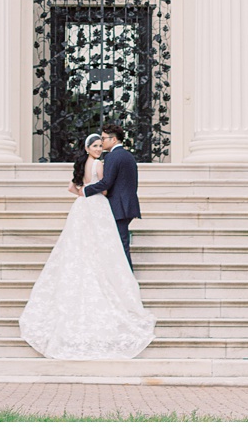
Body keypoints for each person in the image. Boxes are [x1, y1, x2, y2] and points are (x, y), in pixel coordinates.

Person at [16, 131, 156, 360]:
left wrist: (82, 193)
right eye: (97, 145)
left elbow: (73, 187)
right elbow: (105, 187)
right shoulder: (100, 163)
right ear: (89, 147)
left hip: (82, 206)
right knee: (104, 241)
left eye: (102, 144)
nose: (100, 148)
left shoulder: (82, 163)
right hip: (98, 205)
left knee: (83, 240)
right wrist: (92, 191)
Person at [82, 122, 141, 268]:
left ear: (113, 139)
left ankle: (128, 279)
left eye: (103, 138)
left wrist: (85, 190)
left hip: (119, 206)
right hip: (127, 204)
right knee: (120, 243)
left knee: (121, 244)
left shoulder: (112, 157)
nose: (101, 142)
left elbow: (106, 183)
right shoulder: (128, 156)